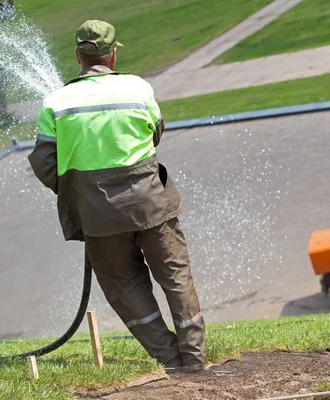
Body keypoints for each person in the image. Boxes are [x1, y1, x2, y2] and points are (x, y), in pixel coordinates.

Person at [28, 20, 206, 372]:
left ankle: (169, 359)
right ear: (112, 55)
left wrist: (80, 192)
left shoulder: (56, 101)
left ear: (79, 54)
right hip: (151, 206)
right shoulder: (137, 89)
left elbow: (44, 162)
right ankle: (194, 358)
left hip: (98, 217)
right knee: (175, 277)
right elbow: (154, 134)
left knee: (125, 288)